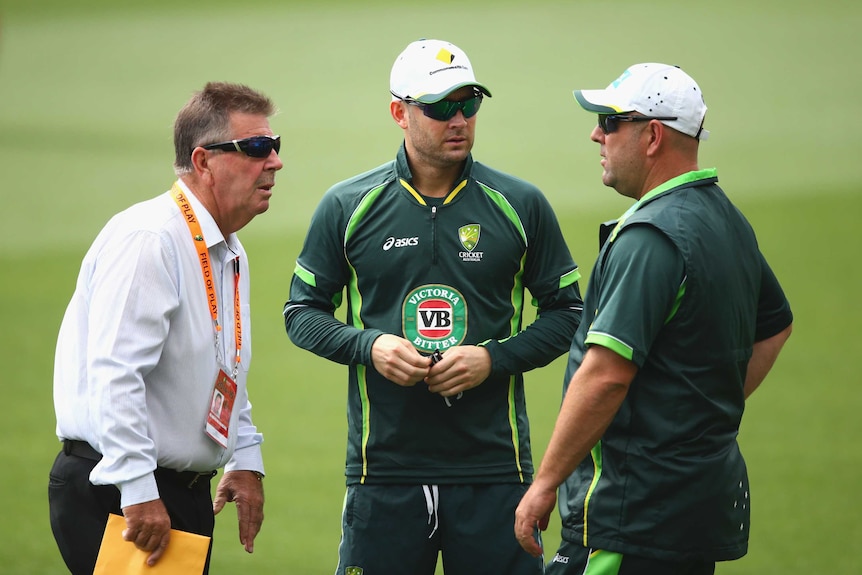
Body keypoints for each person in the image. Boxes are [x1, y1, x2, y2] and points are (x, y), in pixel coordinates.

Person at [283, 39, 583, 574]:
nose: (459, 119)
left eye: (469, 103)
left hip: (496, 471)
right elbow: (301, 311)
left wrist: (495, 358)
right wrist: (367, 345)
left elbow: (569, 314)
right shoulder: (348, 205)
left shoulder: (520, 204)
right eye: (440, 107)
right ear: (399, 112)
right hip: (384, 474)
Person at [514, 63, 794, 574]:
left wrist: (545, 483)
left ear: (653, 136)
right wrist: (697, 413)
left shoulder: (650, 237)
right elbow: (775, 326)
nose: (596, 133)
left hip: (631, 517)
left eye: (611, 121)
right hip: (696, 512)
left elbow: (605, 375)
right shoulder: (727, 220)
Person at [49, 81, 283, 575]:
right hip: (123, 492)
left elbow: (220, 364)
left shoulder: (228, 246)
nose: (275, 162)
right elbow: (115, 373)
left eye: (275, 146)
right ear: (203, 162)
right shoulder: (149, 239)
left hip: (177, 493)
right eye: (257, 147)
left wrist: (243, 454)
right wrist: (137, 491)